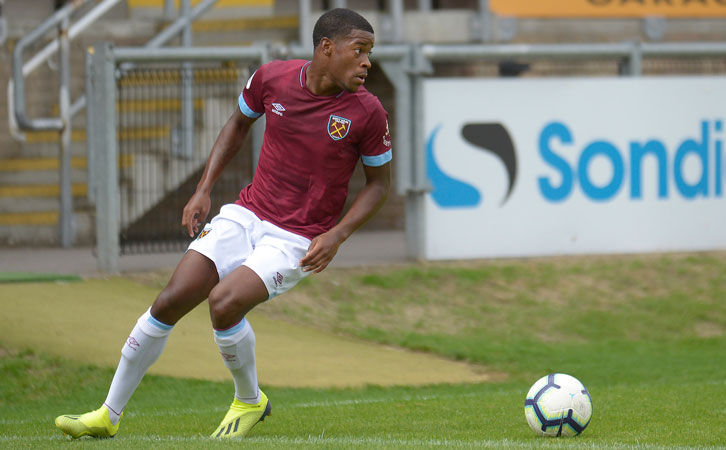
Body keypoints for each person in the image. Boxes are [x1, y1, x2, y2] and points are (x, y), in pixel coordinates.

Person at [55, 8, 392, 440]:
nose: (367, 62)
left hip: (295, 238)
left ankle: (248, 400)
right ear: (326, 49)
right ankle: (107, 415)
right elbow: (237, 124)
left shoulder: (367, 112)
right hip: (247, 213)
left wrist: (337, 234)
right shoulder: (272, 78)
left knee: (224, 302)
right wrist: (203, 188)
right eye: (359, 50)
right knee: (170, 299)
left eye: (370, 52)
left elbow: (379, 185)